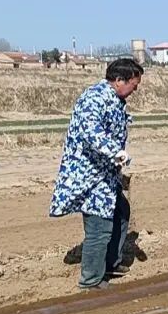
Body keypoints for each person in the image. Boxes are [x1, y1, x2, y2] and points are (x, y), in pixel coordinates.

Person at [49, 58, 143, 290]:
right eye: (133, 85)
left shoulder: (114, 99)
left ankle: (110, 263)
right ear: (119, 80)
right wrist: (115, 151)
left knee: (121, 211)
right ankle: (91, 280)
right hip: (89, 175)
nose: (135, 90)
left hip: (105, 172)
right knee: (99, 226)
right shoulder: (94, 98)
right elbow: (91, 131)